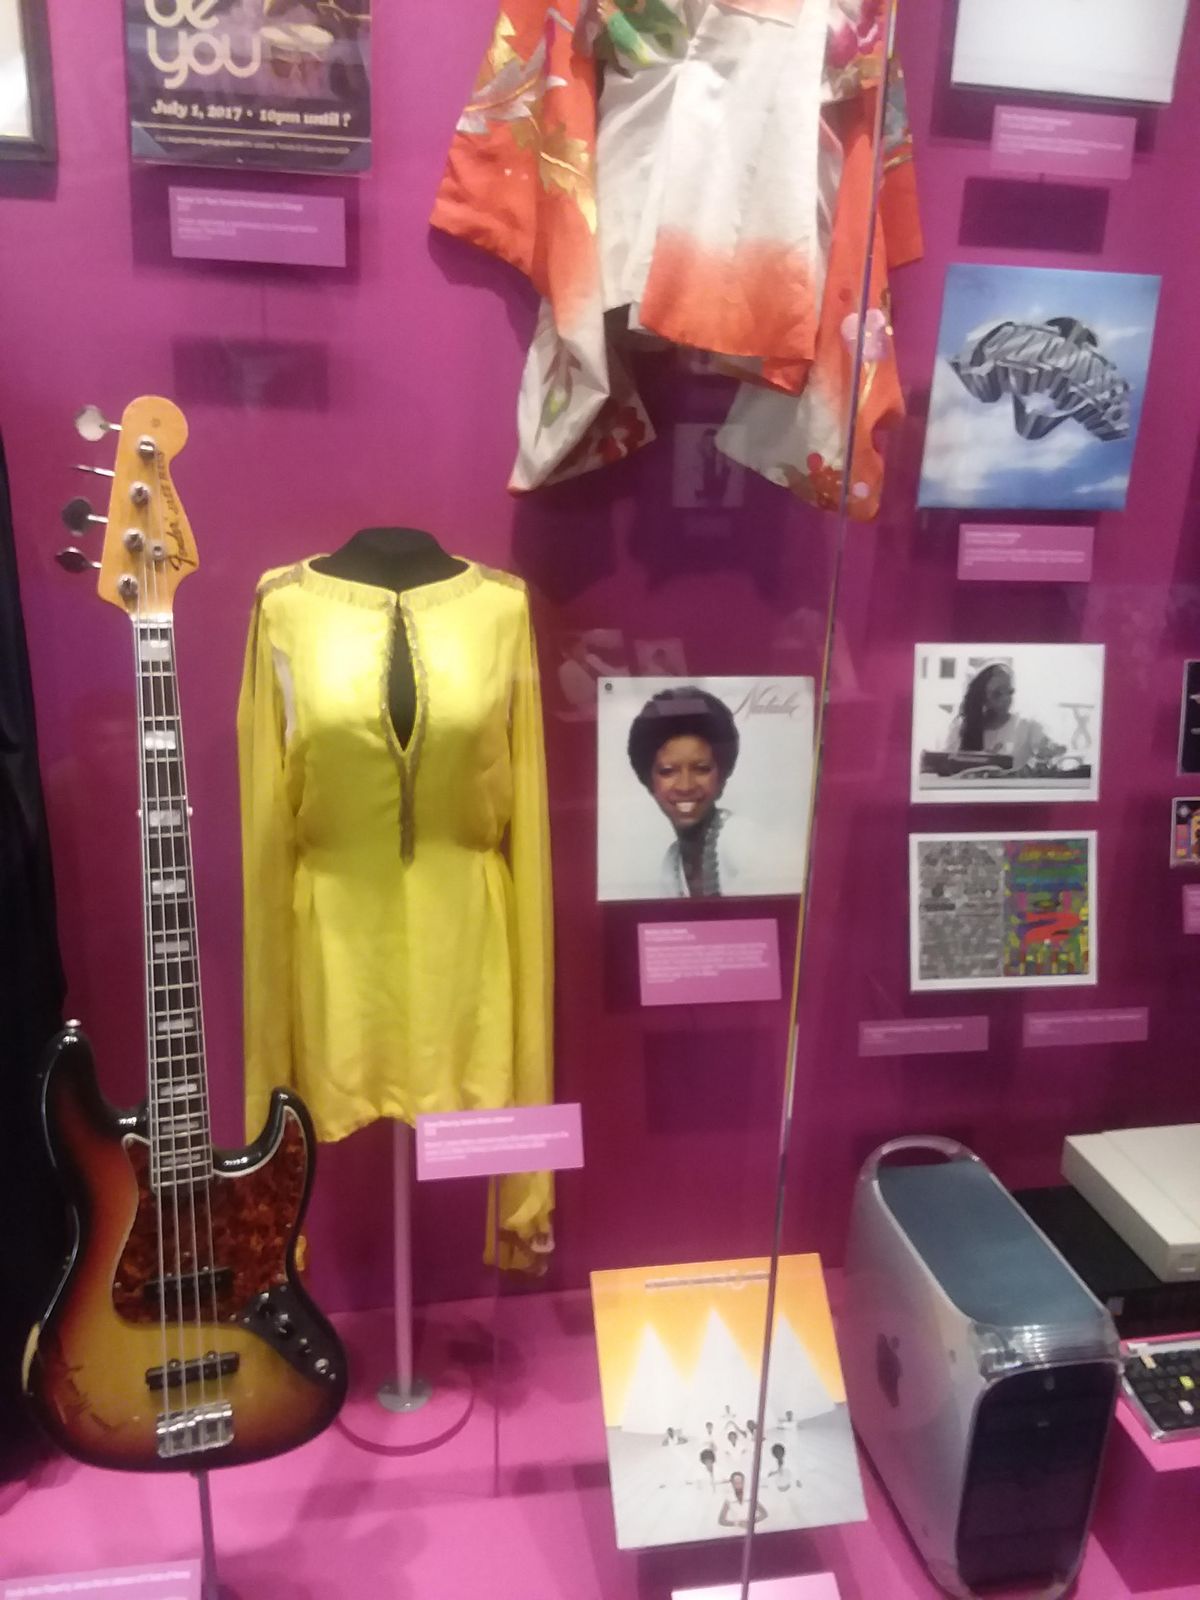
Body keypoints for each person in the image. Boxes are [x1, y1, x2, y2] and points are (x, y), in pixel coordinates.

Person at [626, 687, 760, 898]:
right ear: (649, 781)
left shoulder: (742, 840)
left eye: (702, 769)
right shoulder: (671, 864)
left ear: (721, 776)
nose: (686, 786)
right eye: (668, 771)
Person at [944, 662, 1064, 773]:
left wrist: (1049, 752)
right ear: (982, 697)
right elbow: (945, 767)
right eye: (997, 693)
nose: (1006, 698)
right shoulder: (961, 729)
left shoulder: (1027, 726)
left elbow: (1053, 751)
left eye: (1010, 692)